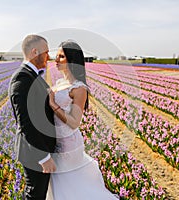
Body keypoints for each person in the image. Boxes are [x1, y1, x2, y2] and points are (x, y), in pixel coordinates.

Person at [46, 40, 118, 199]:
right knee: (60, 184)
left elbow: (74, 122)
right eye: (56, 56)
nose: (56, 60)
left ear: (72, 59)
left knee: (69, 183)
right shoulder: (59, 83)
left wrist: (52, 104)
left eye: (61, 56)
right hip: (56, 140)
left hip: (68, 144)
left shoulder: (79, 88)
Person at [9, 34, 57, 200]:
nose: (48, 56)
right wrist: (43, 157)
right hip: (34, 153)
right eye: (46, 52)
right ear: (35, 51)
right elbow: (26, 123)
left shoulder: (32, 75)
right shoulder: (23, 78)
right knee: (35, 195)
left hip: (40, 148)